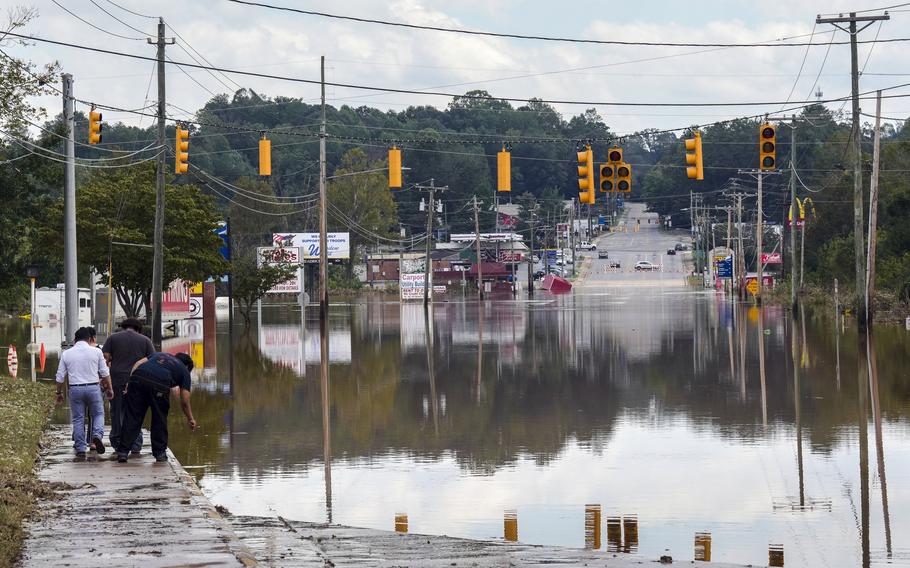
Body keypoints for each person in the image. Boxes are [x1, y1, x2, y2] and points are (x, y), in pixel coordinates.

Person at [116, 352, 197, 463]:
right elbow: (185, 401)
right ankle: (160, 454)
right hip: (160, 383)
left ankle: (123, 452)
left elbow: (138, 363)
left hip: (138, 377)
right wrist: (190, 418)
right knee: (159, 418)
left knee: (132, 416)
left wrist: (130, 381)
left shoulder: (160, 354)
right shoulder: (184, 371)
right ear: (187, 367)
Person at [55, 327, 114, 458]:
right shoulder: (97, 352)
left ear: (74, 340)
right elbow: (105, 373)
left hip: (75, 389)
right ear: (89, 339)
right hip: (93, 387)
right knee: (98, 414)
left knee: (78, 419)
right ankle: (96, 436)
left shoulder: (67, 353)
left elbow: (60, 376)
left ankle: (81, 447)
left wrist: (58, 392)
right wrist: (109, 388)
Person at [102, 318, 154, 455]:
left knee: (117, 411)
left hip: (116, 380)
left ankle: (117, 443)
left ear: (123, 327)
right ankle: (136, 444)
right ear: (138, 328)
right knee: (135, 412)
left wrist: (104, 380)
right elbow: (152, 360)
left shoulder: (112, 338)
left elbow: (104, 360)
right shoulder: (145, 341)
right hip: (138, 381)